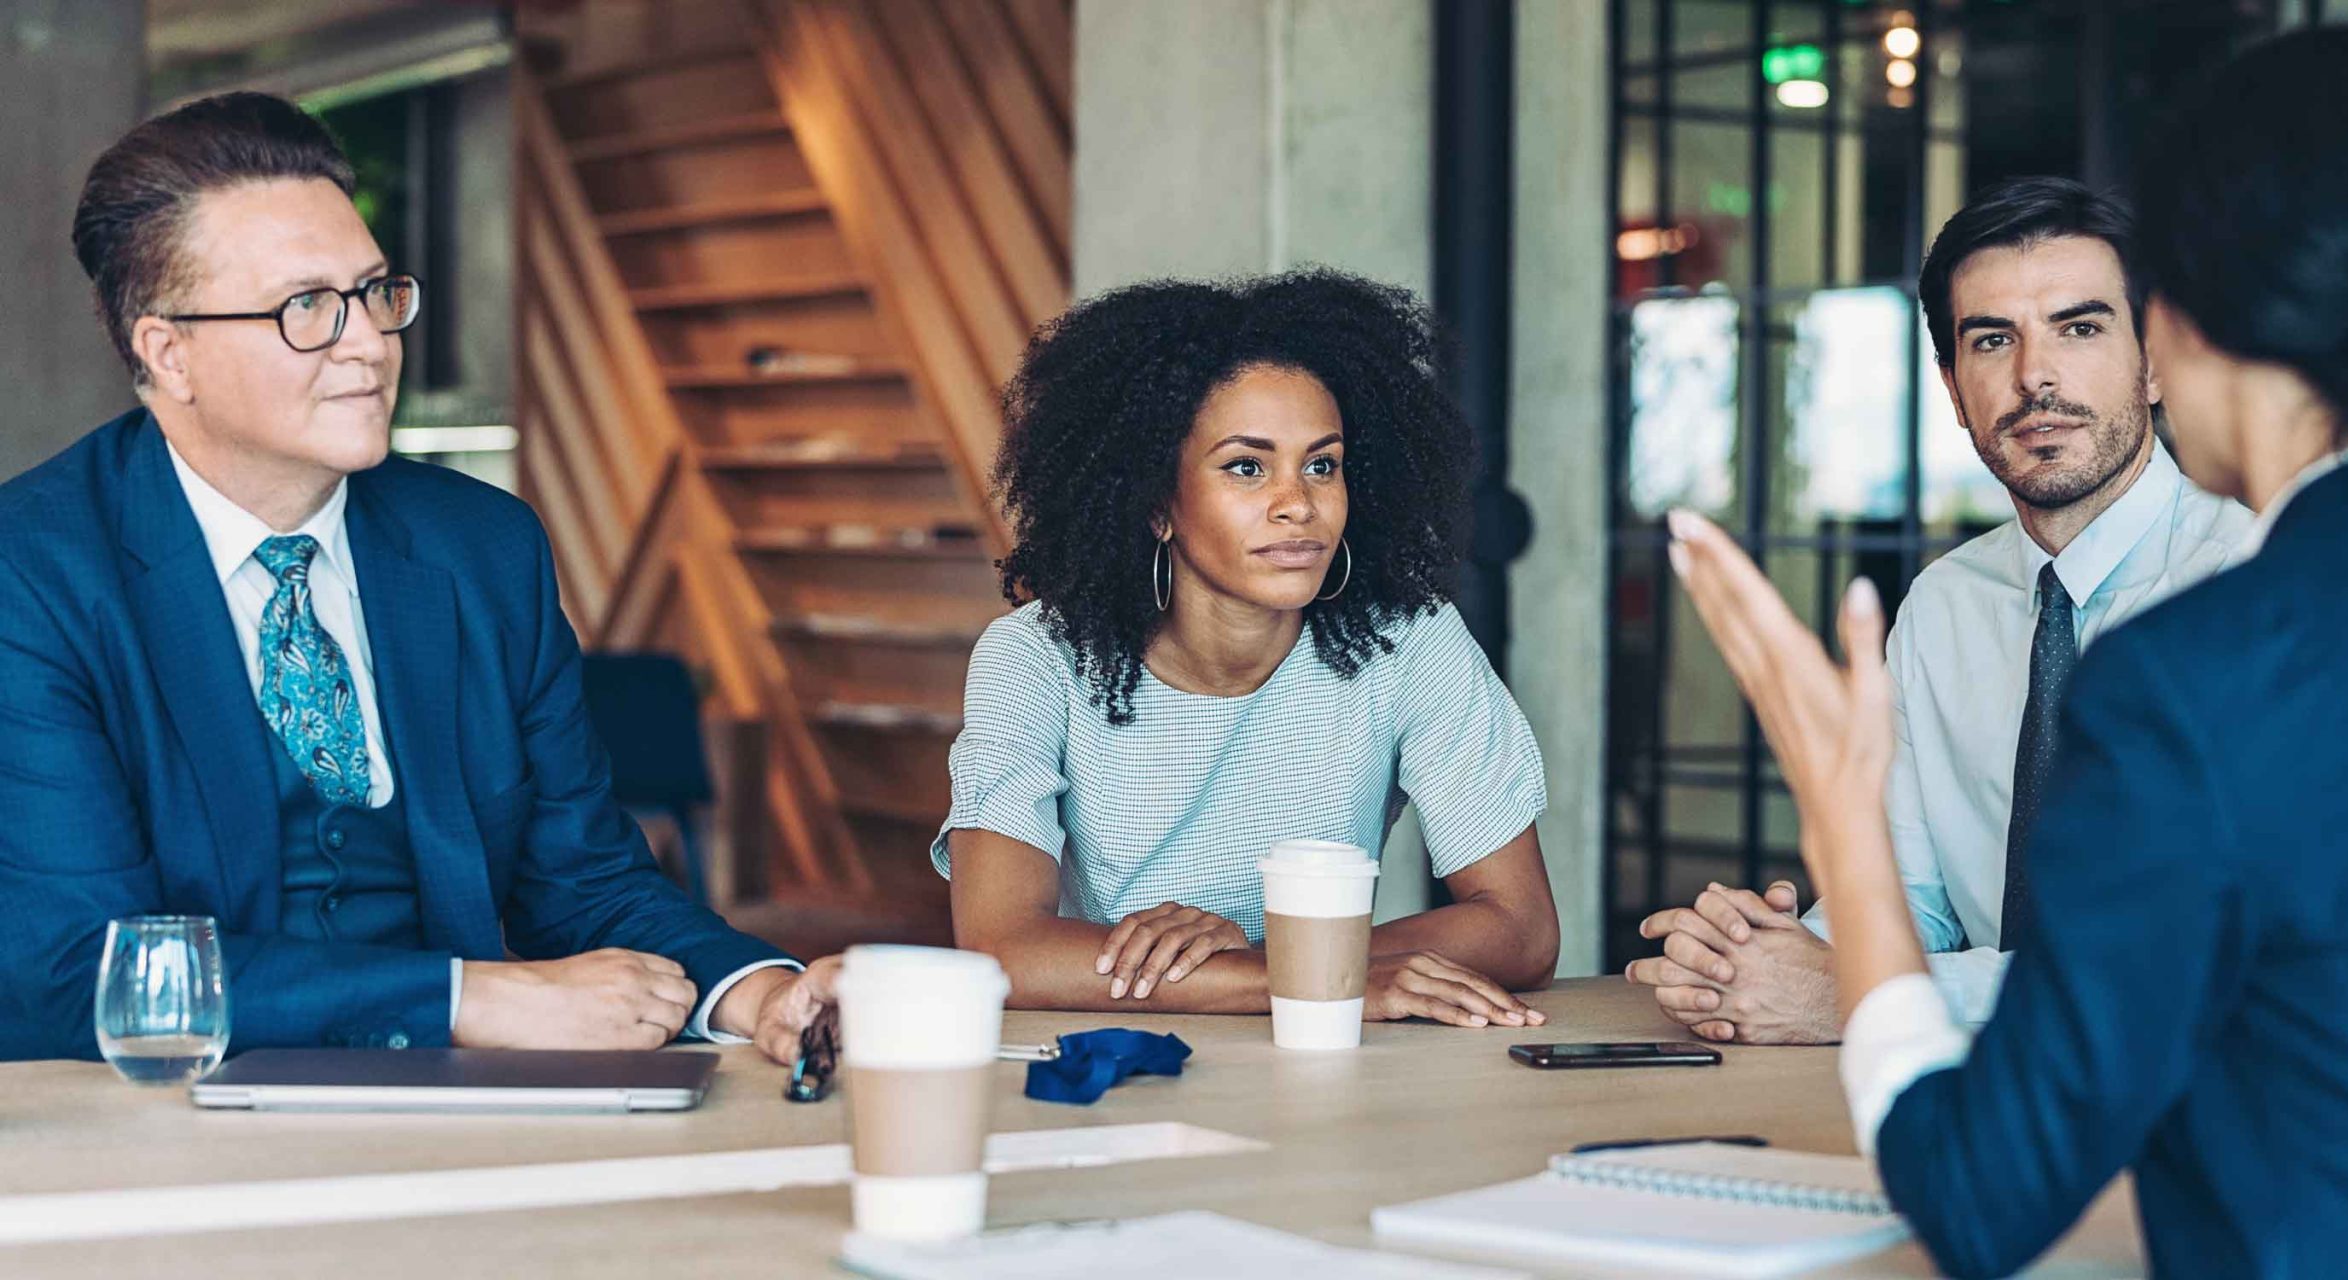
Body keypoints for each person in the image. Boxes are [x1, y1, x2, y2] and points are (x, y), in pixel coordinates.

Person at [1664, 26, 2348, 1277]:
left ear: (2175, 332)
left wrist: (1841, 824)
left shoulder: (2195, 667)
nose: (2040, 373)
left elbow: (1981, 1196)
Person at [0, 92, 834, 1066]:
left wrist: (762, 992)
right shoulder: (35, 571)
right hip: (157, 1127)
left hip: (454, 1105)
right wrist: (464, 997)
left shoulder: (482, 546)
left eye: (374, 292)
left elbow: (585, 878)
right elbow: (81, 966)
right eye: (306, 307)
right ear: (168, 350)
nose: (369, 342)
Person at [1626, 179, 2253, 1043]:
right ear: (1955, 391)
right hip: (1974, 1109)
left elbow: (2192, 960)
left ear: (2155, 363)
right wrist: (1765, 956)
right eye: (1992, 340)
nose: (2035, 376)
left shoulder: (2253, 592)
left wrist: (1858, 994)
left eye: (2080, 327)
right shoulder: (1946, 605)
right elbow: (1909, 900)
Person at [937, 269, 1560, 1028]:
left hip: (1318, 1063)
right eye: (1246, 466)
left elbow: (1521, 925)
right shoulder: (1035, 660)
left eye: (1322, 465)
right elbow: (1001, 948)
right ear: (1158, 503)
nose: (1298, 503)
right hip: (1118, 1066)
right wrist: (1306, 977)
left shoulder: (1409, 643)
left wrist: (1283, 967)